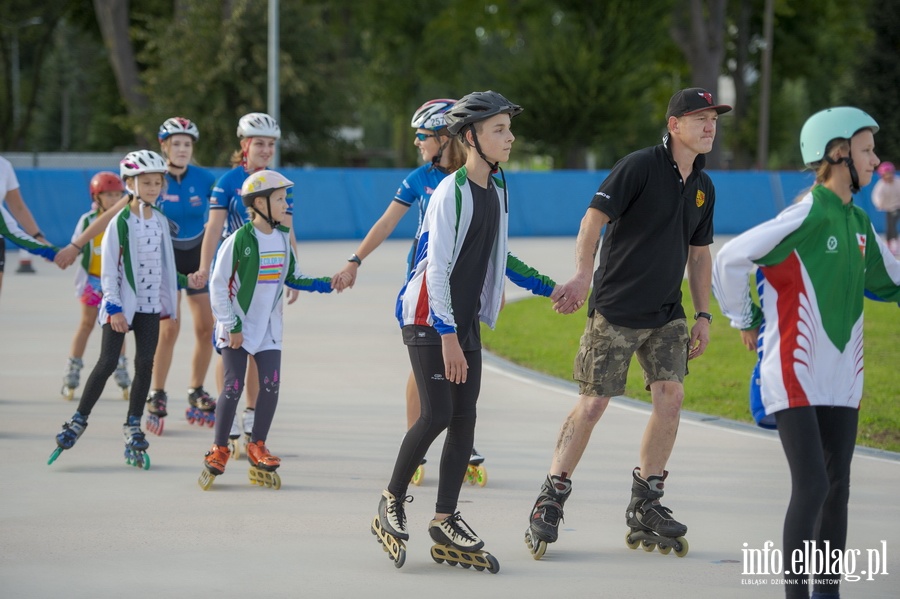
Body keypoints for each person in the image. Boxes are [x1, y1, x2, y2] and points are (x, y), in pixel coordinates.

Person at [523, 88, 731, 560]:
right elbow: (592, 221)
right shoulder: (638, 166)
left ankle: (646, 502)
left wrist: (702, 314)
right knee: (593, 404)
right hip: (616, 307)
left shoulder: (703, 186)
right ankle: (551, 496)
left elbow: (699, 256)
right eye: (699, 118)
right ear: (674, 124)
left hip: (666, 312)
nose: (709, 126)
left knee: (671, 398)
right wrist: (581, 274)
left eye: (713, 119)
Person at [712, 107, 900, 599]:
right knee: (813, 487)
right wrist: (745, 318)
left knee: (838, 489)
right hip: (794, 374)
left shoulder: (860, 221)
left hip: (844, 377)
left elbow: (891, 281)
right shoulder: (806, 214)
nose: (875, 158)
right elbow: (730, 259)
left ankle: (827, 593)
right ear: (837, 155)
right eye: (865, 150)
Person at [371, 91, 563, 571]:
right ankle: (390, 500)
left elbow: (500, 259)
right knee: (436, 414)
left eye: (509, 128)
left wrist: (550, 288)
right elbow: (435, 270)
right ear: (471, 136)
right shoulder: (448, 193)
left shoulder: (495, 190)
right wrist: (448, 336)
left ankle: (444, 517)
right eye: (499, 129)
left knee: (465, 419)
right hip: (427, 316)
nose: (510, 137)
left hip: (464, 321)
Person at [332, 99, 484, 475]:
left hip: (463, 282)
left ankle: (458, 433)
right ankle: (417, 437)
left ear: (446, 137)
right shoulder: (420, 177)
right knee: (426, 363)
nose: (417, 143)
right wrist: (355, 261)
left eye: (422, 136)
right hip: (426, 282)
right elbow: (386, 222)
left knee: (458, 357)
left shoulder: (476, 174)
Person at [49, 150, 196, 469]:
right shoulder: (120, 222)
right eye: (146, 182)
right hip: (120, 306)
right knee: (105, 363)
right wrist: (113, 307)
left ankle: (133, 424)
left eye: (158, 182)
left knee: (145, 363)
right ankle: (78, 419)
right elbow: (109, 272)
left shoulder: (159, 220)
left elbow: (163, 266)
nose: (154, 187)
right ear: (131, 183)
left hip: (149, 307)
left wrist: (185, 279)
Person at [198, 170, 333, 490]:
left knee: (271, 386)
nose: (287, 204)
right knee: (233, 386)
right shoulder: (238, 241)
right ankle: (219, 448)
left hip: (269, 327)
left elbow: (294, 277)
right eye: (281, 199)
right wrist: (232, 325)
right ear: (259, 203)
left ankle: (257, 444)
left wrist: (328, 283)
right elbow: (218, 288)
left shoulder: (283, 237)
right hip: (237, 327)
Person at [195, 112, 296, 440]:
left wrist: (293, 274)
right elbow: (213, 229)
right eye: (260, 144)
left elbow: (287, 229)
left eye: (271, 144)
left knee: (261, 345)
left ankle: (252, 413)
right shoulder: (226, 183)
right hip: (235, 277)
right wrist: (203, 266)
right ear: (245, 145)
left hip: (267, 278)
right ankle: (230, 409)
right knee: (230, 347)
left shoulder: (278, 183)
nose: (266, 150)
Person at [145, 117, 218, 434]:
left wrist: (207, 265)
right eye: (176, 143)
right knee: (169, 329)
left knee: (206, 328)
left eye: (187, 144)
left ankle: (196, 389)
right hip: (165, 260)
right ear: (164, 146)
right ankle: (157, 393)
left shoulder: (205, 178)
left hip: (196, 257)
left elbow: (218, 220)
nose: (182, 149)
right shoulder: (153, 179)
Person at [60, 172, 131, 401]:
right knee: (87, 324)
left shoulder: (126, 218)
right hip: (93, 281)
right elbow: (77, 244)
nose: (113, 199)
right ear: (97, 197)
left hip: (117, 283)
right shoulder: (88, 220)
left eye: (117, 194)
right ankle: (72, 370)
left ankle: (121, 369)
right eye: (108, 195)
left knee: (118, 326)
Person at [0, 155, 58, 299]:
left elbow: (18, 207)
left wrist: (38, 237)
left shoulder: (4, 165)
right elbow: (10, 230)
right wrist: (47, 251)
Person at [872, 161, 900, 255]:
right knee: (889, 226)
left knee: (893, 224)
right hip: (888, 208)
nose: (888, 177)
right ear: (882, 175)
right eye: (886, 175)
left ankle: (895, 243)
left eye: (890, 174)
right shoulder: (881, 185)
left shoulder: (897, 182)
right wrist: (879, 204)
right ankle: (889, 243)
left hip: (897, 206)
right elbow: (876, 195)